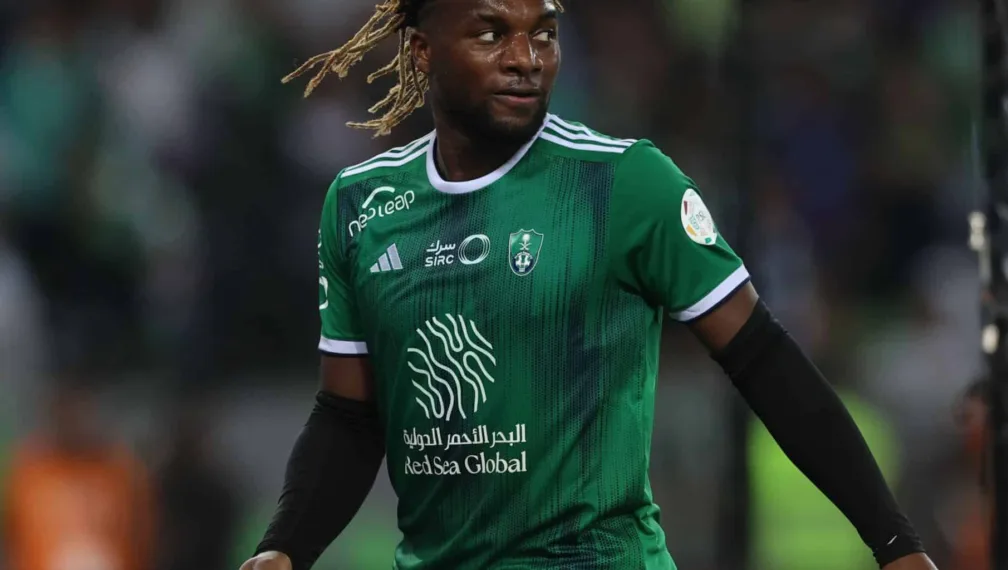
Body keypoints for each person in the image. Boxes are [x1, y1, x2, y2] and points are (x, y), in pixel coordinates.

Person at [241, 1, 938, 569]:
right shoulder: (361, 204)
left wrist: (895, 543)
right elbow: (349, 414)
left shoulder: (623, 183)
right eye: (491, 33)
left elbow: (763, 359)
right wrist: (285, 548)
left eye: (544, 32)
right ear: (422, 51)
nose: (525, 58)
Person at [3, 378, 154, 570]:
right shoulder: (31, 473)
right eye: (69, 411)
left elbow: (141, 538)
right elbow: (12, 539)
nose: (76, 420)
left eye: (83, 411)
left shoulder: (120, 472)